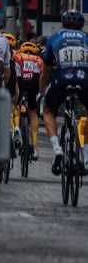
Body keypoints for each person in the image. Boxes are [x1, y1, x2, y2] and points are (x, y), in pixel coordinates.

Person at [40, 10, 88, 175]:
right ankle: (87, 156)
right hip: (84, 80)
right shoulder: (87, 38)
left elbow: (45, 71)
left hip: (61, 80)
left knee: (47, 111)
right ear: (82, 24)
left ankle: (57, 148)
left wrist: (42, 91)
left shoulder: (55, 38)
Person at [12, 40, 43, 160]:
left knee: (16, 105)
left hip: (20, 82)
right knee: (33, 112)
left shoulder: (18, 56)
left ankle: (16, 128)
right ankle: (35, 148)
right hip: (34, 85)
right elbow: (42, 76)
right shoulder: (39, 60)